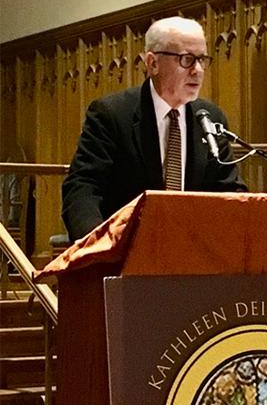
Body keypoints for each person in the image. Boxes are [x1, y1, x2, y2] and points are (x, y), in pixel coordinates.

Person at [62, 16, 246, 240]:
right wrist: (94, 245)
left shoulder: (209, 117)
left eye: (202, 59)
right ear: (153, 63)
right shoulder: (112, 114)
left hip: (193, 250)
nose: (197, 70)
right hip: (128, 248)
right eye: (187, 59)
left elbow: (228, 190)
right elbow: (84, 186)